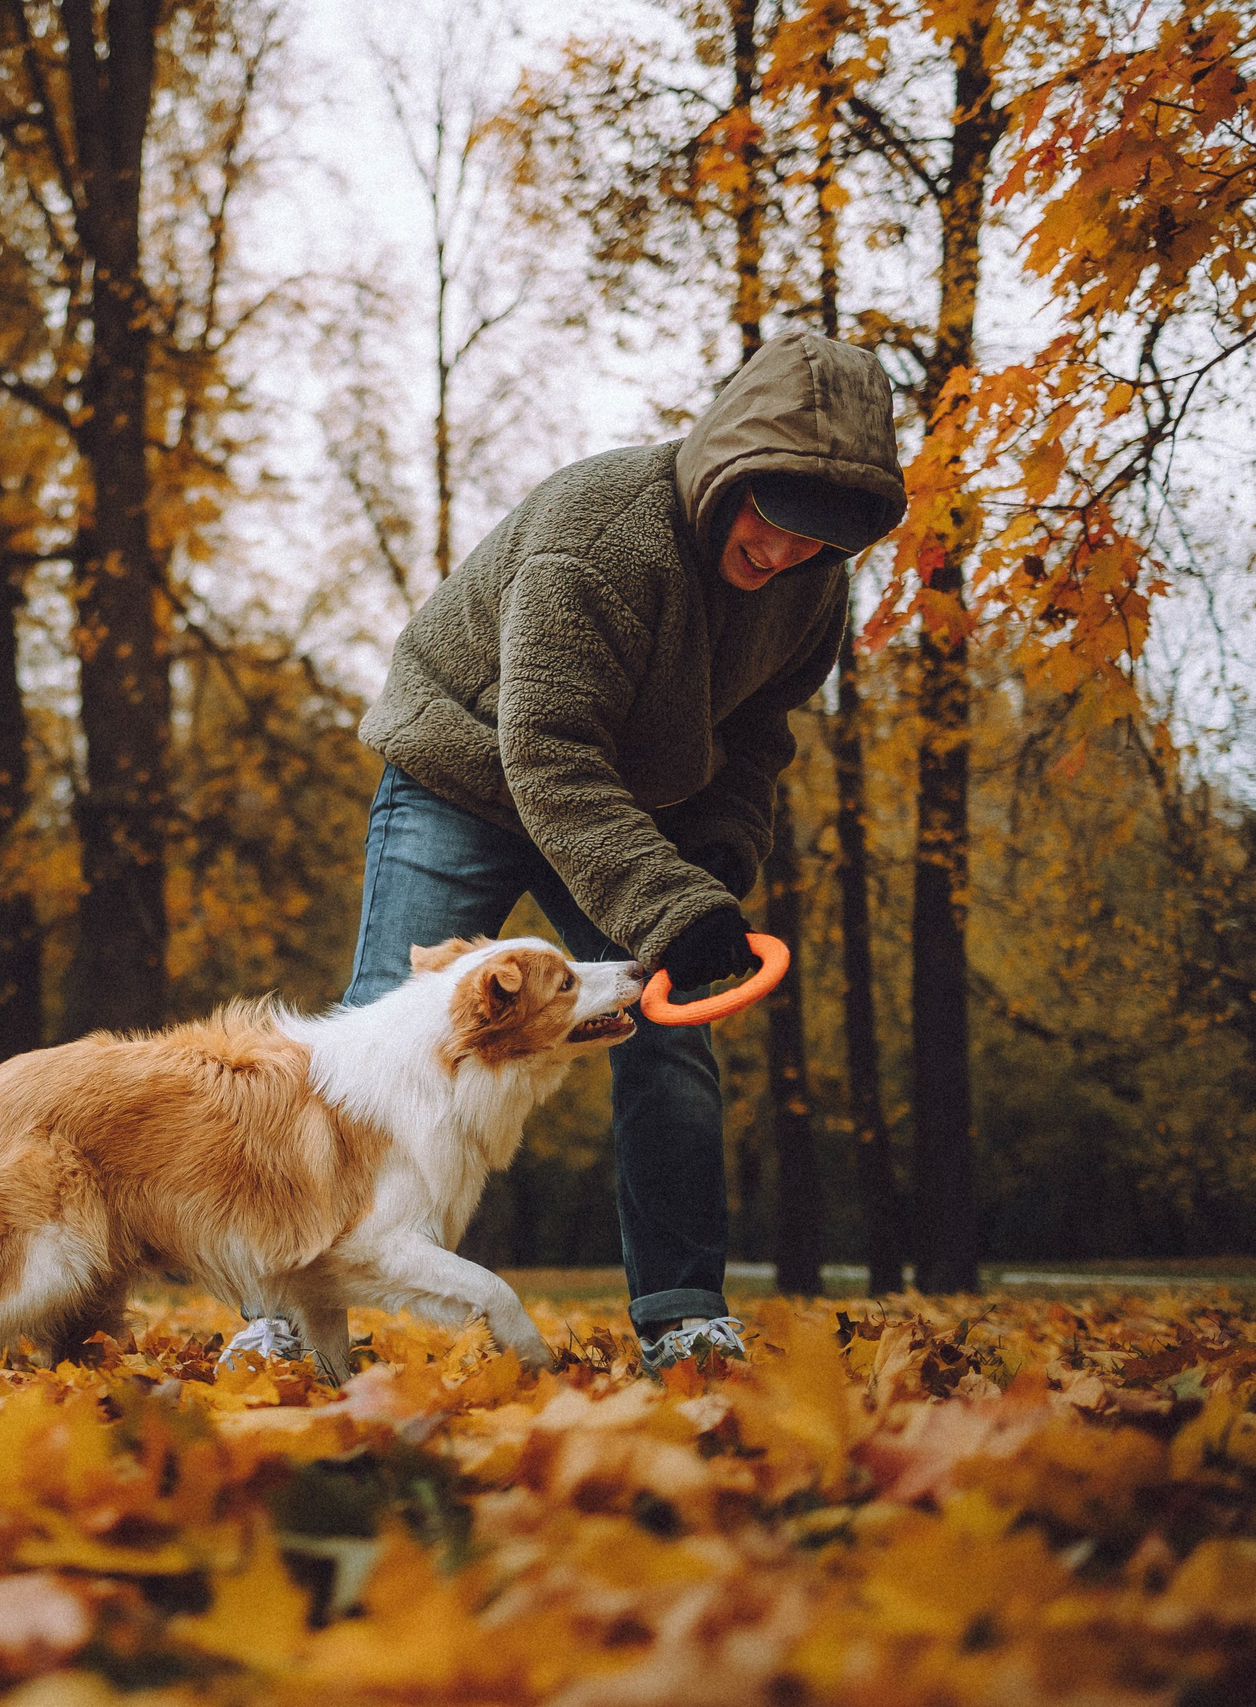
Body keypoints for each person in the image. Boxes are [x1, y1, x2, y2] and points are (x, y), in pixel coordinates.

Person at [342, 331, 905, 1373]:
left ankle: (684, 1314)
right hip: (463, 767)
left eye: (819, 539)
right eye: (771, 520)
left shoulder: (810, 594)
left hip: (611, 802)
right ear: (727, 470)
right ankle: (290, 1303)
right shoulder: (597, 536)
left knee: (665, 1029)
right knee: (380, 1031)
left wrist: (714, 873)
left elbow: (753, 743)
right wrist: (664, 899)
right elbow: (546, 753)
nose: (784, 554)